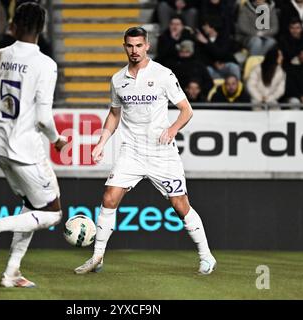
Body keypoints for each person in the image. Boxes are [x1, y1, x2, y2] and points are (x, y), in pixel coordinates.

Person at [74, 26, 217, 275]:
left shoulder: (163, 74)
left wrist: (172, 129)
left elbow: (187, 110)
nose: (134, 51)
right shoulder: (118, 80)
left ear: (147, 46)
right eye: (130, 46)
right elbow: (114, 114)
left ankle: (207, 256)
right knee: (109, 197)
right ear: (124, 47)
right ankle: (97, 257)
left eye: (139, 45)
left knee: (180, 204)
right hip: (132, 151)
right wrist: (101, 143)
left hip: (162, 152)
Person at [0, 2, 67, 288]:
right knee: (52, 214)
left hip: (1, 147)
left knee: (31, 207)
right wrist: (57, 140)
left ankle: (12, 271)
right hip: (26, 150)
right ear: (42, 29)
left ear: (13, 26)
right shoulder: (45, 64)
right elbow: (43, 117)